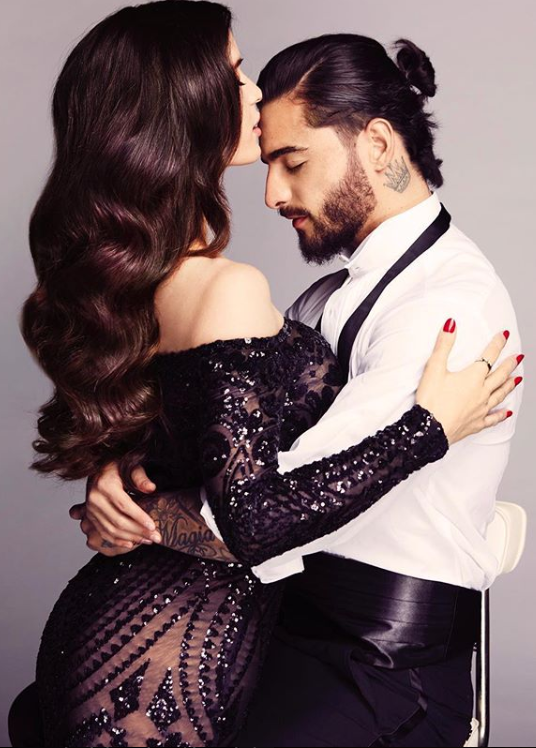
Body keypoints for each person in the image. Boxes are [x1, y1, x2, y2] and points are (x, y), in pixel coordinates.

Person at [20, 3, 521, 747]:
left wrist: (137, 512)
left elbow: (261, 515)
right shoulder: (311, 298)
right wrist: (124, 475)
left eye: (294, 162)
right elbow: (233, 452)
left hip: (381, 665)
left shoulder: (445, 306)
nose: (272, 194)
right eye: (237, 74)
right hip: (268, 631)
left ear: (378, 144)